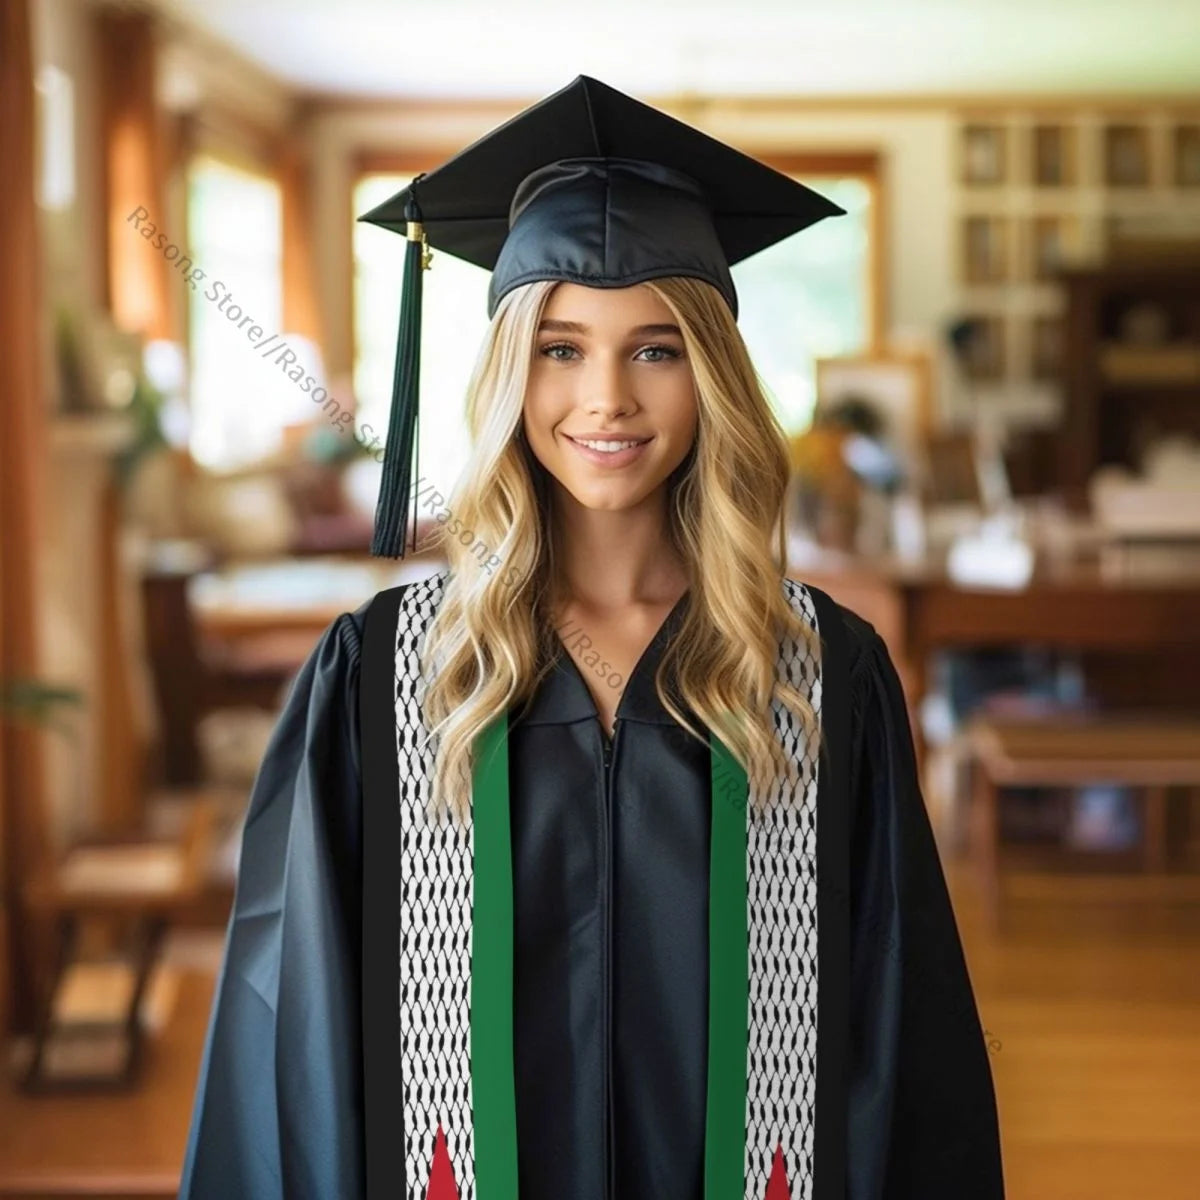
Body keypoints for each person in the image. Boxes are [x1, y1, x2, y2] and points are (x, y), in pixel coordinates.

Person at [178, 75, 1005, 1200]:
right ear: (512, 371)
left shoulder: (821, 669)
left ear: (711, 375)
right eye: (562, 348)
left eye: (656, 349)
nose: (605, 397)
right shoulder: (385, 673)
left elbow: (903, 1027)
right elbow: (296, 1033)